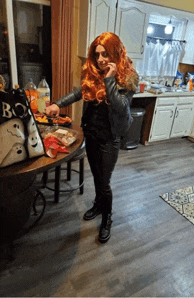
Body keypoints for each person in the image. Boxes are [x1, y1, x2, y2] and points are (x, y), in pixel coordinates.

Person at [45, 32, 138, 243]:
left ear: (115, 52)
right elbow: (79, 93)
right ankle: (98, 204)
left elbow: (121, 107)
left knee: (105, 182)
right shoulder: (94, 72)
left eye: (105, 54)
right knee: (96, 175)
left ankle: (107, 218)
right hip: (92, 134)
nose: (101, 59)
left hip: (110, 138)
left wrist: (110, 81)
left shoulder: (128, 78)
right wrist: (56, 104)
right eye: (97, 55)